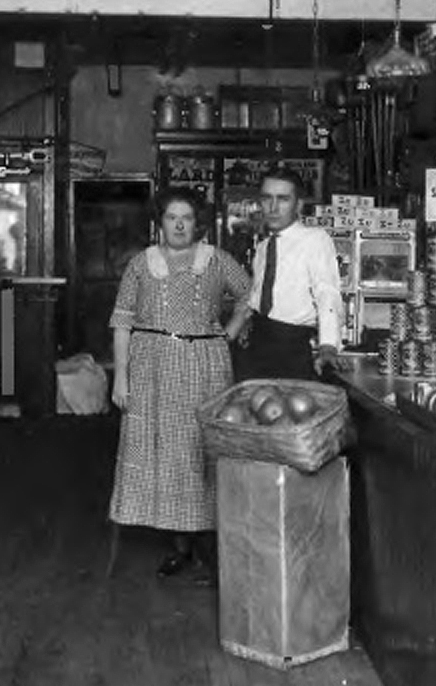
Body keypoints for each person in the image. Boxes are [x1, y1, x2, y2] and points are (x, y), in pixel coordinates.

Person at [110, 187, 252, 581]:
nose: (178, 224)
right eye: (172, 217)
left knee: (202, 451)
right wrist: (120, 376)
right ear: (161, 222)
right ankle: (181, 548)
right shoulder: (141, 264)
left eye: (186, 218)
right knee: (167, 455)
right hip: (152, 366)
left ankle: (213, 550)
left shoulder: (217, 261)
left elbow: (249, 294)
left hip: (205, 365)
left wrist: (230, 330)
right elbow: (122, 321)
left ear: (197, 223)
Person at [234, 172, 343, 380]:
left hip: (291, 346)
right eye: (267, 198)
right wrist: (246, 321)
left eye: (283, 199)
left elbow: (327, 292)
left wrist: (328, 346)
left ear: (298, 205)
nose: (273, 208)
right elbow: (259, 294)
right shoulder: (264, 247)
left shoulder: (315, 240)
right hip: (257, 345)